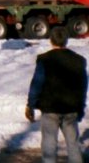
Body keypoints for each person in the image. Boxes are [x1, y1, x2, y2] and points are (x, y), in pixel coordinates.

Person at [26, 27, 87, 163]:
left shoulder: (44, 59)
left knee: (49, 145)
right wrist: (81, 107)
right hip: (71, 109)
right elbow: (83, 86)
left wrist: (30, 105)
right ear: (66, 40)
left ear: (51, 40)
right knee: (73, 145)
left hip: (50, 109)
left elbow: (37, 84)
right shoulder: (79, 60)